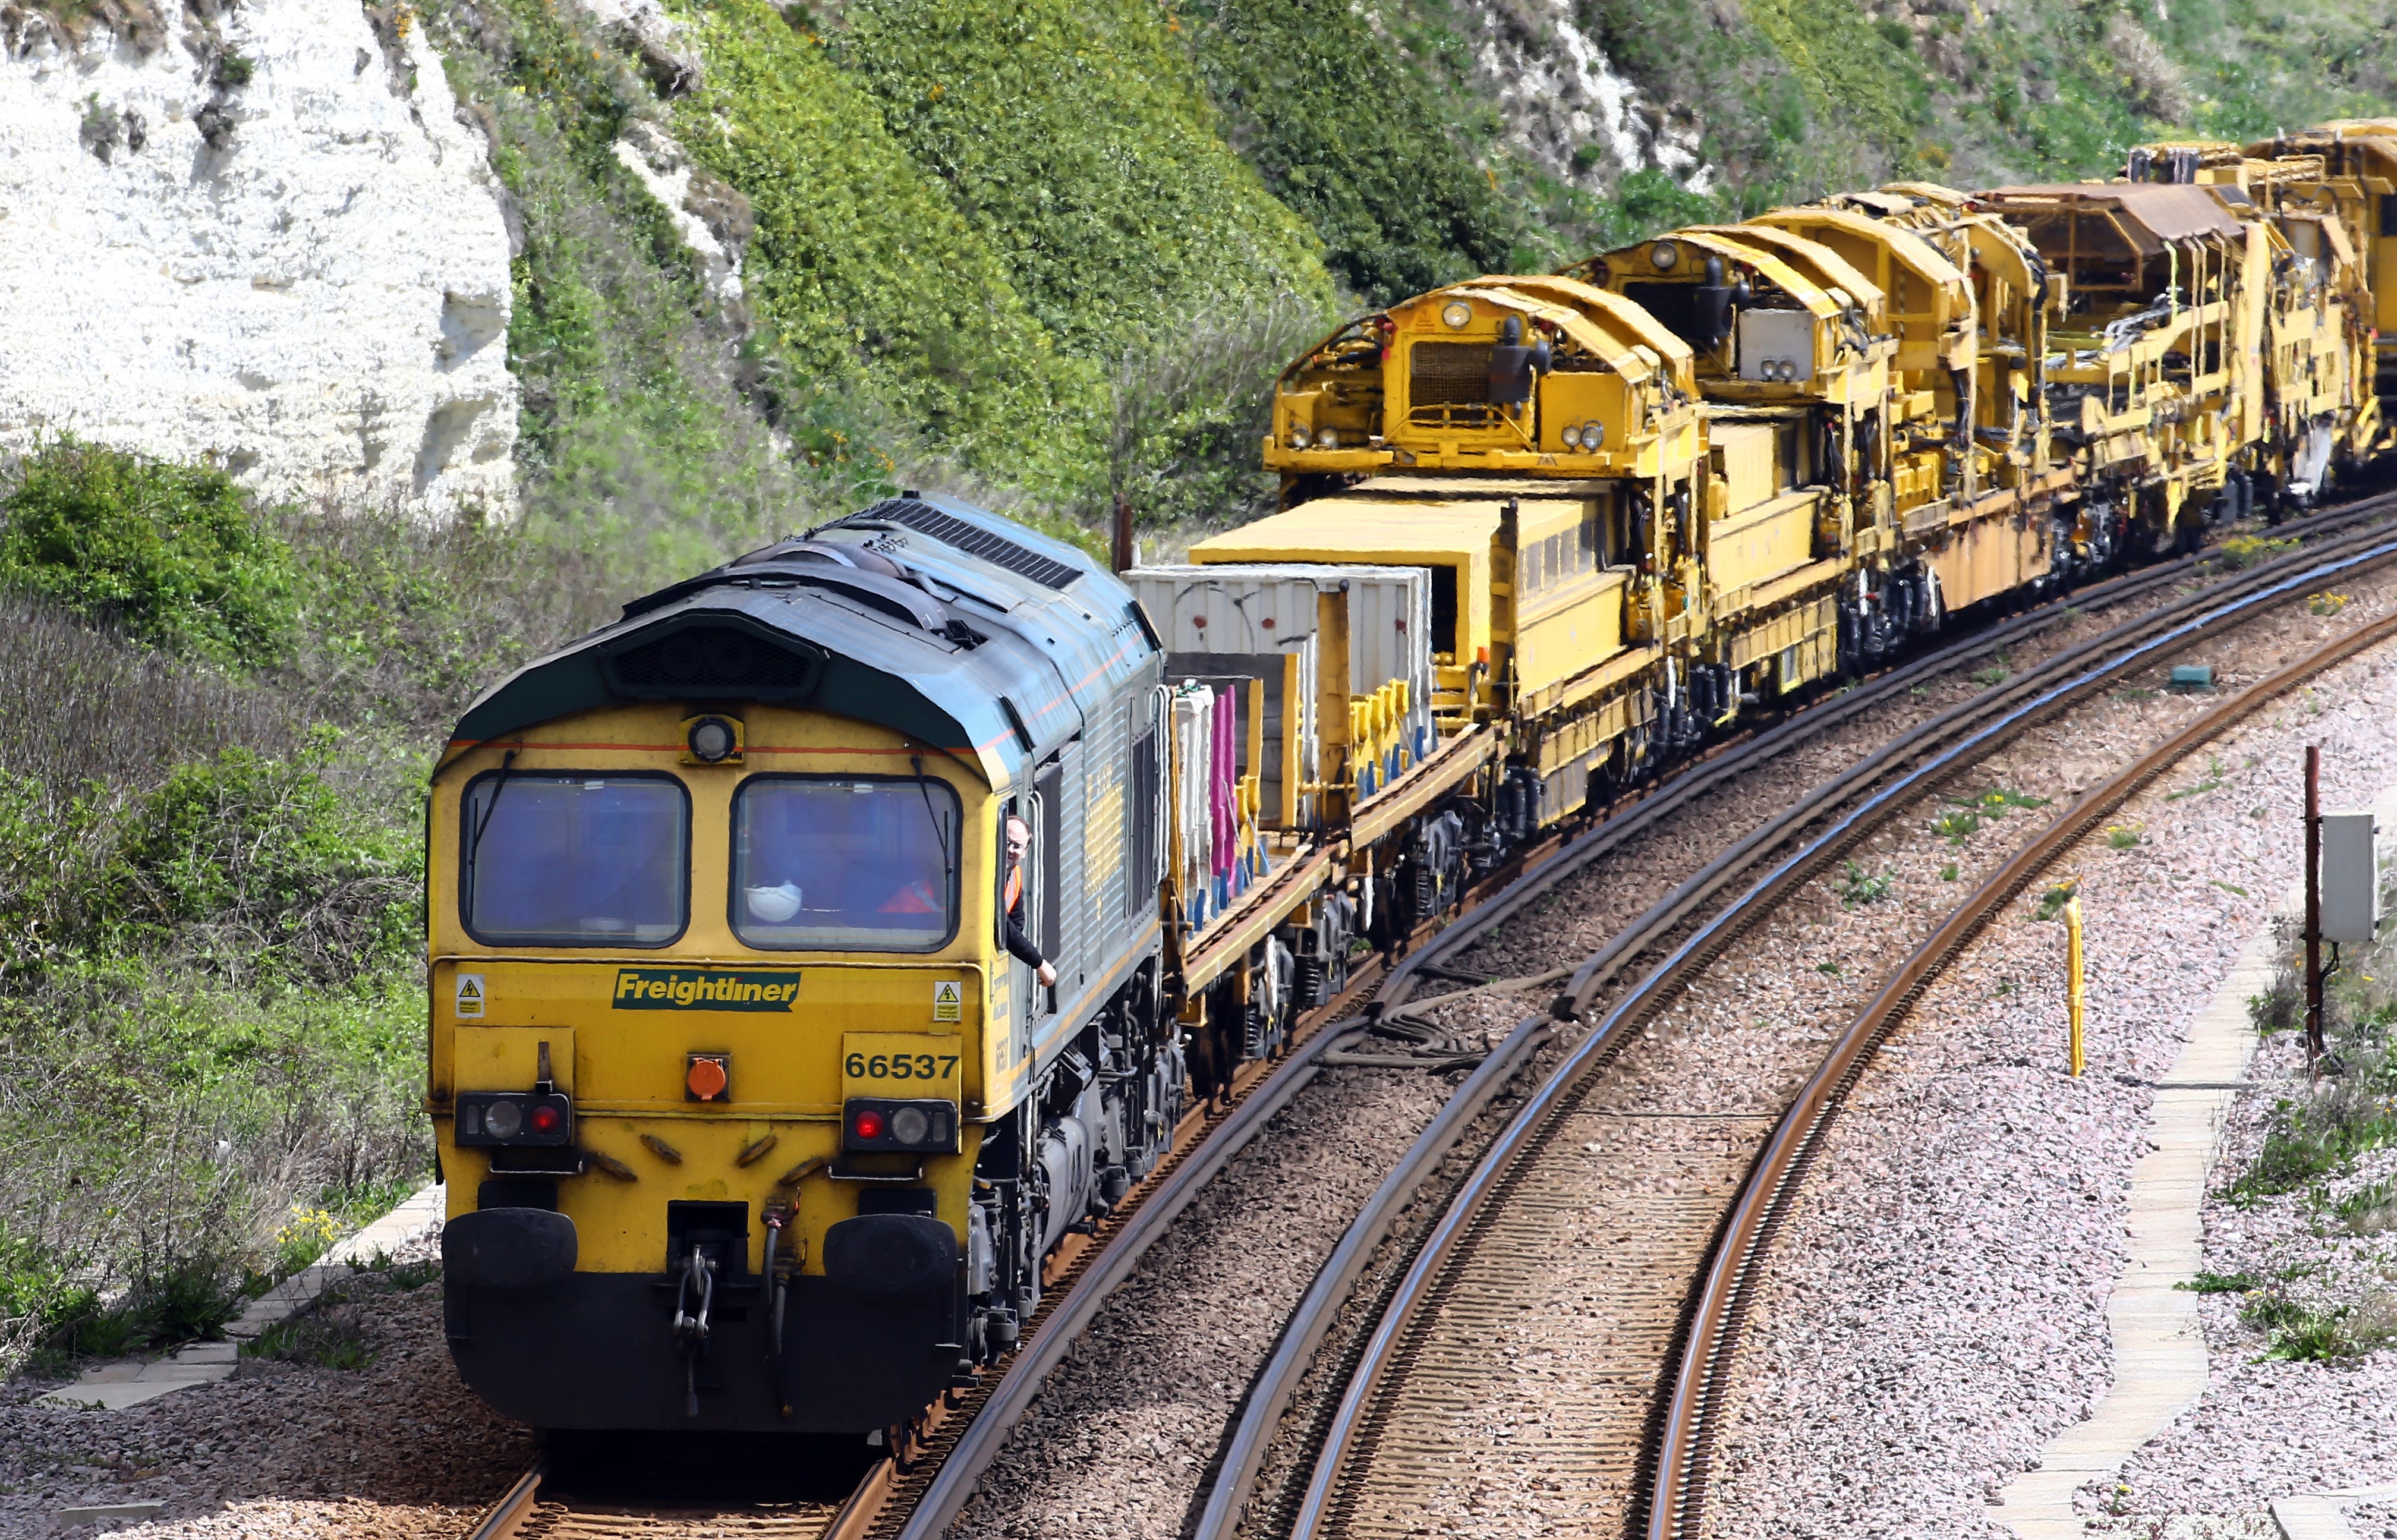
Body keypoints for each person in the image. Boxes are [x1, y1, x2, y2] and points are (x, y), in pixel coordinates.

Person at [1003, 815, 1057, 988]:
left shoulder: (1015, 875)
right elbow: (998, 923)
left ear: (1025, 852)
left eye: (1017, 846)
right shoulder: (981, 873)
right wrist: (1040, 963)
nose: (1011, 849)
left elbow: (1015, 925)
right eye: (1006, 842)